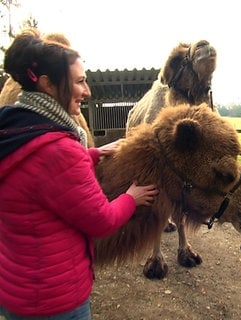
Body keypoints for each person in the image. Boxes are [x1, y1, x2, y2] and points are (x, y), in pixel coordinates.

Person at [0, 31, 159, 319]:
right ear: (48, 84)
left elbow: (37, 174)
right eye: (80, 82)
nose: (88, 92)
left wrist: (93, 154)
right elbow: (102, 220)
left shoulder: (15, 131)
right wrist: (130, 198)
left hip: (17, 290)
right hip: (55, 299)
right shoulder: (60, 149)